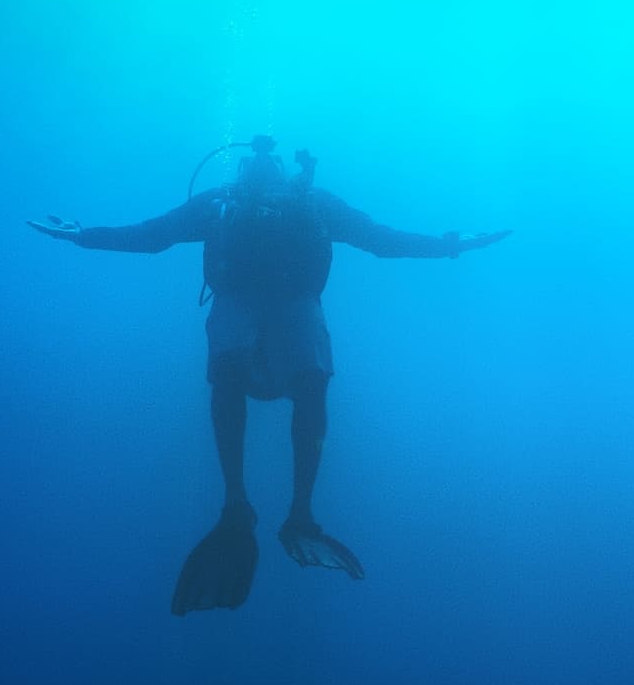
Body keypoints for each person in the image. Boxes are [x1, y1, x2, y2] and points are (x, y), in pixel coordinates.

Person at [27, 137, 509, 615]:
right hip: (261, 305)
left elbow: (380, 239)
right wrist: (84, 235)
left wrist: (451, 246)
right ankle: (248, 505)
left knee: (294, 375)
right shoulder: (231, 205)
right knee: (265, 373)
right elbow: (154, 235)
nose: (261, 167)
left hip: (288, 306)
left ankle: (284, 510)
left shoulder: (299, 203)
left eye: (267, 162)